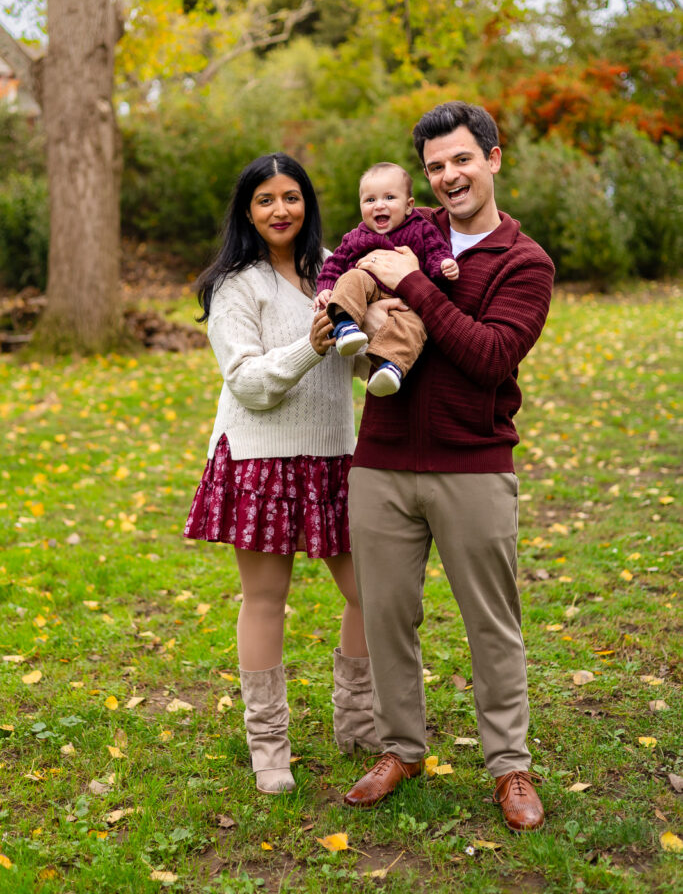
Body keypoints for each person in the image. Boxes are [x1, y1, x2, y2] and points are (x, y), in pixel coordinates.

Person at [342, 102, 555, 832]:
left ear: (493, 159)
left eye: (461, 159)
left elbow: (488, 356)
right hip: (381, 460)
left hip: (473, 464)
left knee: (491, 623)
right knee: (386, 616)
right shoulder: (399, 235)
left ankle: (509, 765)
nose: (448, 175)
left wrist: (416, 286)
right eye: (435, 166)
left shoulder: (523, 263)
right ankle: (399, 748)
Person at [184, 153, 380, 795]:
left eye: (290, 196)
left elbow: (356, 365)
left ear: (308, 203)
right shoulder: (234, 286)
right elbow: (248, 384)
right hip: (261, 457)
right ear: (247, 211)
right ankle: (269, 746)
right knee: (268, 600)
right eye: (265, 199)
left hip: (333, 456)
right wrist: (313, 344)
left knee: (370, 593)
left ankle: (357, 724)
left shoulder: (332, 272)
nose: (280, 210)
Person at [314, 162, 459, 396]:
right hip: (367, 288)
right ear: (361, 206)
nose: (379, 205)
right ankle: (344, 325)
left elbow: (435, 252)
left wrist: (444, 265)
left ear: (409, 205)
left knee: (415, 326)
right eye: (370, 200)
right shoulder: (356, 236)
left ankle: (391, 367)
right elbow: (334, 264)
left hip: (404, 301)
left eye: (390, 197)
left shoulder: (421, 229)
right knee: (352, 278)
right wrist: (325, 287)